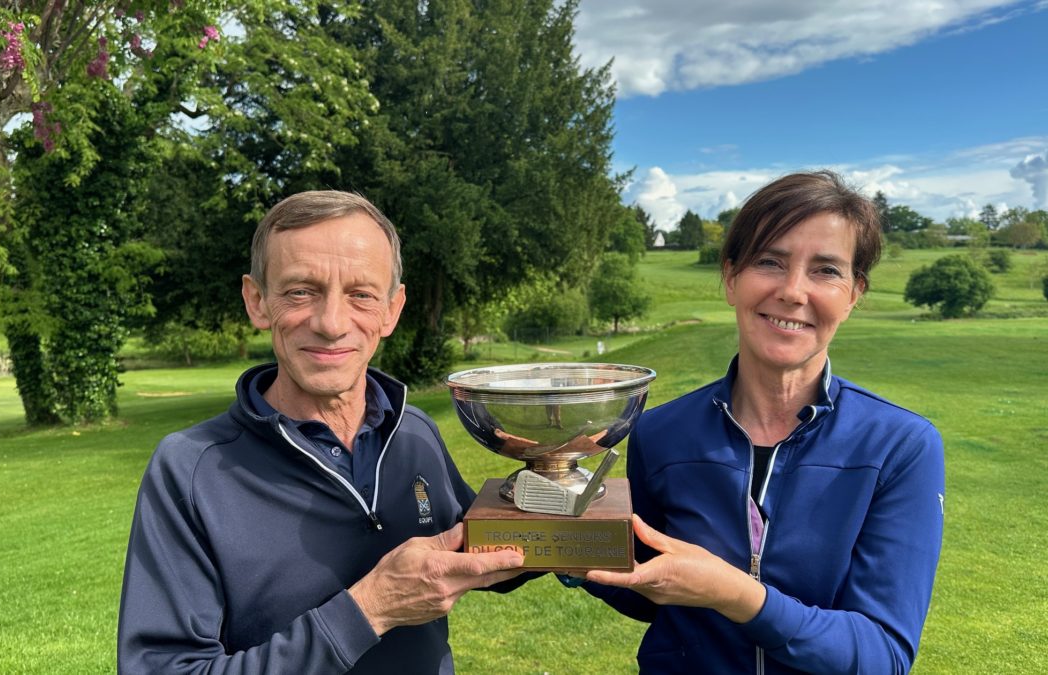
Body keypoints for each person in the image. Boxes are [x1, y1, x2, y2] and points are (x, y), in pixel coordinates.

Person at [117, 191, 525, 673]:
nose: (331, 324)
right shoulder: (188, 468)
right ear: (257, 301)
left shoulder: (412, 430)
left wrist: (564, 510)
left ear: (392, 310)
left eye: (361, 295)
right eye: (300, 292)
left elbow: (474, 546)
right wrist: (371, 609)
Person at [584, 171, 945, 673]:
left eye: (825, 271)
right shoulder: (659, 431)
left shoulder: (900, 446)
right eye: (770, 261)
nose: (793, 291)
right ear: (732, 278)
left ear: (854, 293)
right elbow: (654, 594)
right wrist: (577, 553)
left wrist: (739, 596)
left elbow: (882, 653)